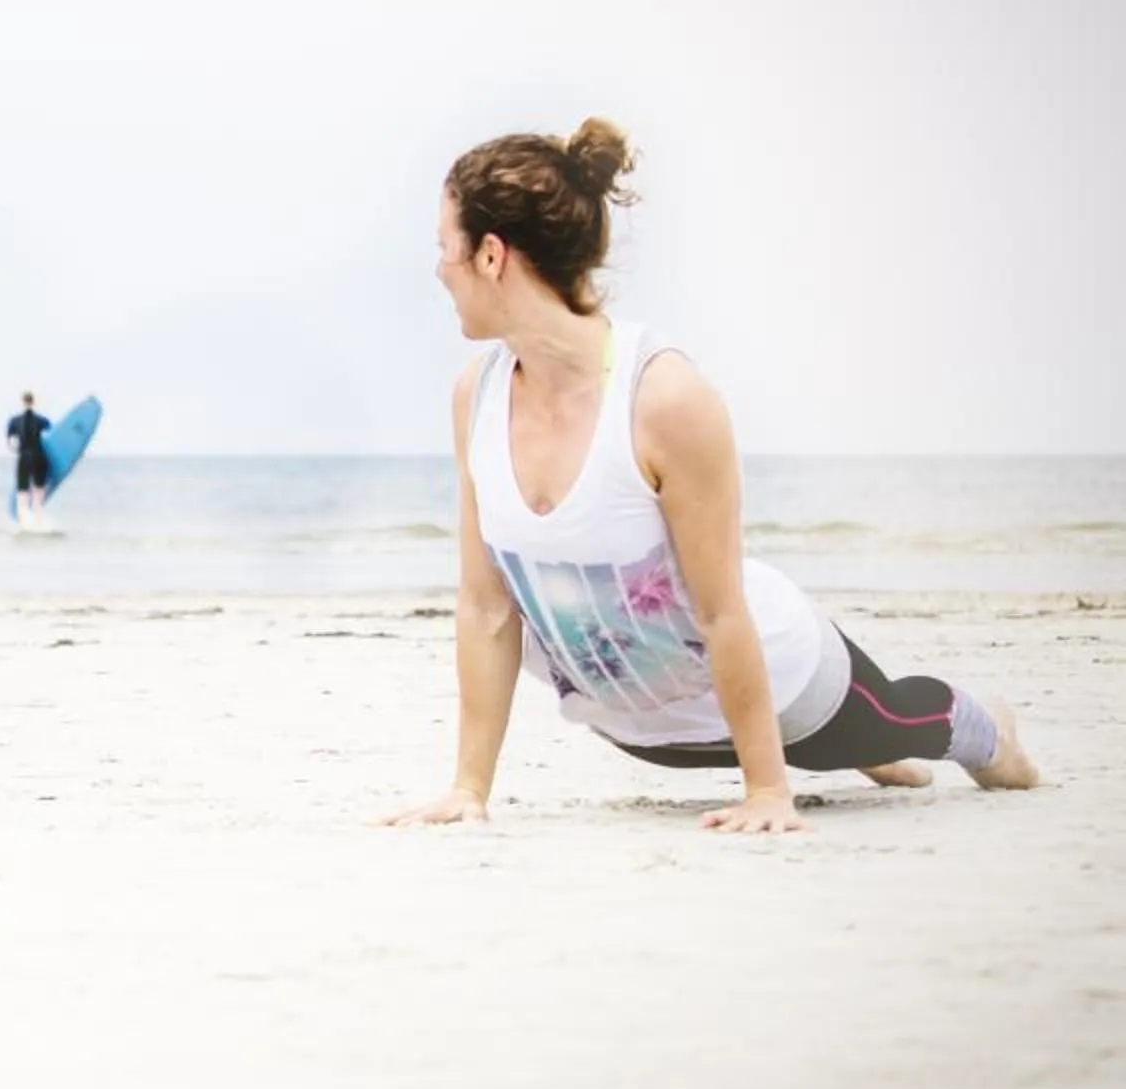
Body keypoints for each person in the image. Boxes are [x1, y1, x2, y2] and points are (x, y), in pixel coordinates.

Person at [389, 118, 1039, 835]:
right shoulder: (475, 395)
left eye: (442, 245)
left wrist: (767, 791)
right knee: (852, 744)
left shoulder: (664, 399)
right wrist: (468, 789)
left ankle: (986, 733)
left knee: (897, 719)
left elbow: (722, 611)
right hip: (642, 732)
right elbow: (486, 608)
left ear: (489, 254)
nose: (436, 267)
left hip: (783, 689)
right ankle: (869, 754)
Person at [6, 391, 53, 527]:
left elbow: (10, 443)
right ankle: (38, 522)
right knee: (38, 491)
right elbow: (52, 433)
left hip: (24, 458)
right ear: (33, 402)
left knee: (22, 492)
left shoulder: (14, 421)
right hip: (39, 456)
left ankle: (24, 523)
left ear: (22, 402)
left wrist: (17, 450)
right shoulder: (42, 420)